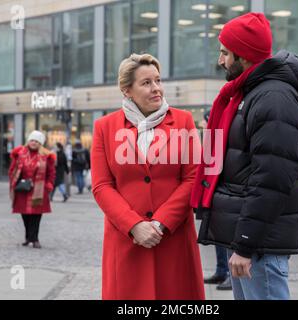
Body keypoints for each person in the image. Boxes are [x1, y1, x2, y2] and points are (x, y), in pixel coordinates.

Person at [190, 13, 298, 300]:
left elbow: (271, 180)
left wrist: (245, 244)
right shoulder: (253, 93)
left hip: (260, 247)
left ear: (243, 55)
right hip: (252, 243)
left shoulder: (273, 98)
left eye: (224, 52)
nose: (220, 60)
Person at [91, 53, 204, 300]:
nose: (157, 89)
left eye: (158, 80)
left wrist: (160, 222)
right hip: (126, 240)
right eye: (146, 83)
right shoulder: (105, 127)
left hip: (172, 238)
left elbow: (193, 178)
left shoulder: (183, 121)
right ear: (127, 90)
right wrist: (134, 225)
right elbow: (101, 186)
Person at [199, 109, 232, 291]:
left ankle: (228, 273)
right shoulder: (209, 138)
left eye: (205, 121)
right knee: (217, 236)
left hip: (222, 194)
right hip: (212, 195)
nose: (203, 124)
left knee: (225, 237)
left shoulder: (220, 137)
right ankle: (221, 271)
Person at [9, 130, 56, 249]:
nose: (33, 142)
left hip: (39, 189)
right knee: (24, 215)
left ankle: (35, 239)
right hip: (23, 189)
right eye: (32, 140)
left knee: (36, 216)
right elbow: (13, 169)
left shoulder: (46, 156)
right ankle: (27, 237)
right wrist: (13, 178)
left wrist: (49, 184)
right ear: (28, 141)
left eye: (36, 141)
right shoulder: (20, 154)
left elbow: (51, 172)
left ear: (40, 143)